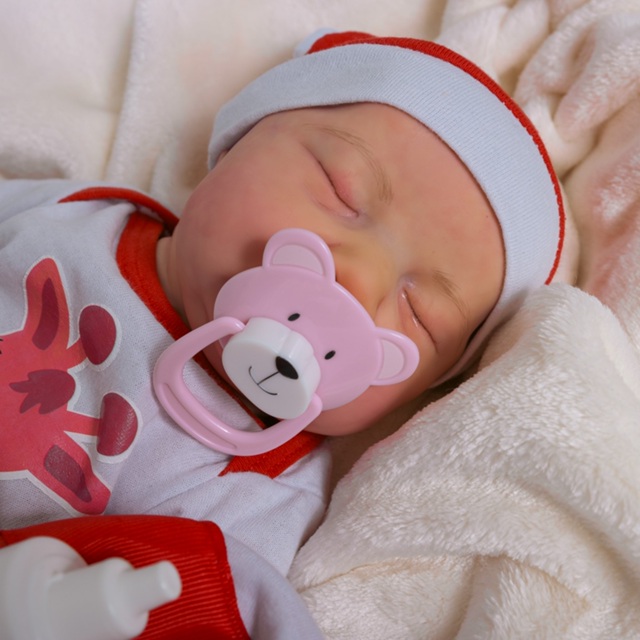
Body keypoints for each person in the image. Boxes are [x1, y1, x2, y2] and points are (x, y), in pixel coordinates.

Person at [0, 30, 564, 639]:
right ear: (234, 145)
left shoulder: (262, 494)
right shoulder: (77, 216)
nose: (358, 281)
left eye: (421, 313)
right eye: (341, 191)